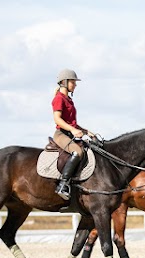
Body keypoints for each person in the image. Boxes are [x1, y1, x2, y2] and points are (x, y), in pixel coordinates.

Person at [52, 68, 94, 200]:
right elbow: (57, 119)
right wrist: (73, 130)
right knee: (78, 152)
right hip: (61, 134)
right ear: (64, 82)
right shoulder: (59, 99)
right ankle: (63, 184)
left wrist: (86, 131)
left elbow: (72, 122)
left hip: (69, 134)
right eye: (73, 82)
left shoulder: (68, 99)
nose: (75, 85)